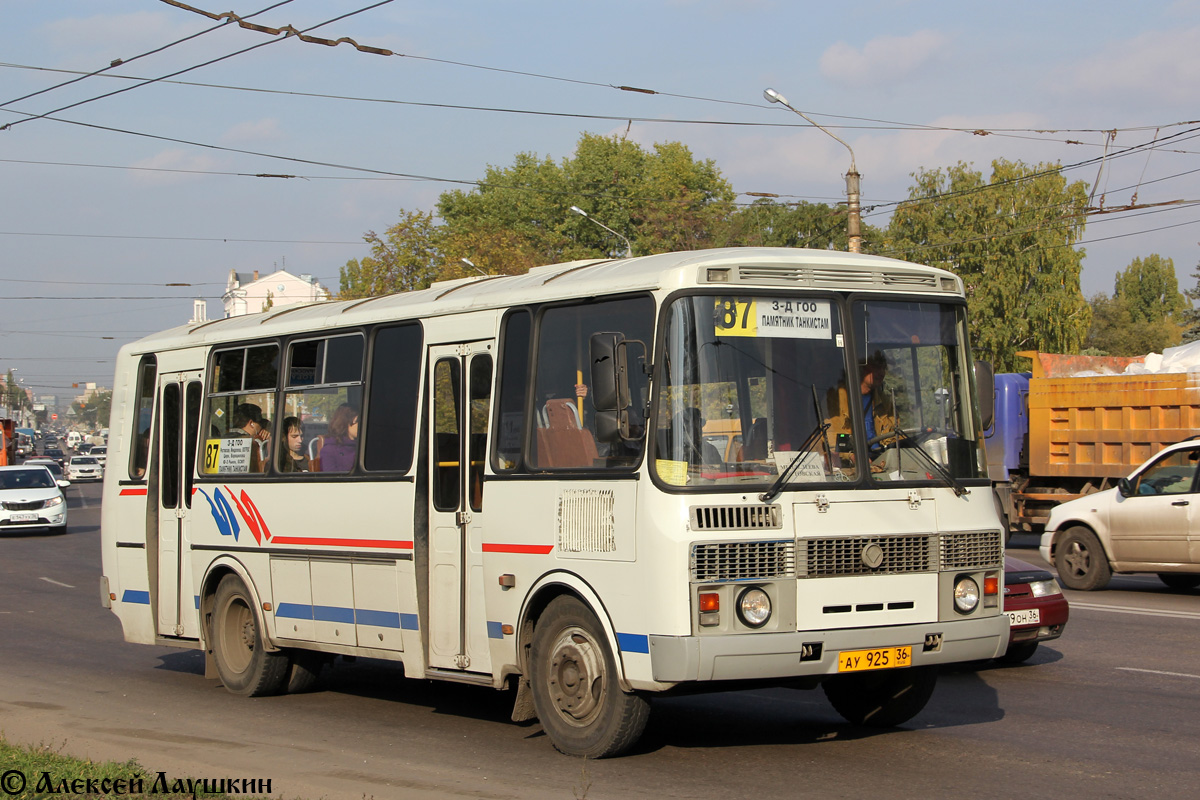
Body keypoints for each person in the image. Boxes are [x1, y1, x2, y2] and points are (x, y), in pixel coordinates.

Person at [319, 403, 359, 472]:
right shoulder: (329, 450)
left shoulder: (364, 448)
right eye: (358, 421)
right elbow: (332, 479)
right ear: (346, 422)